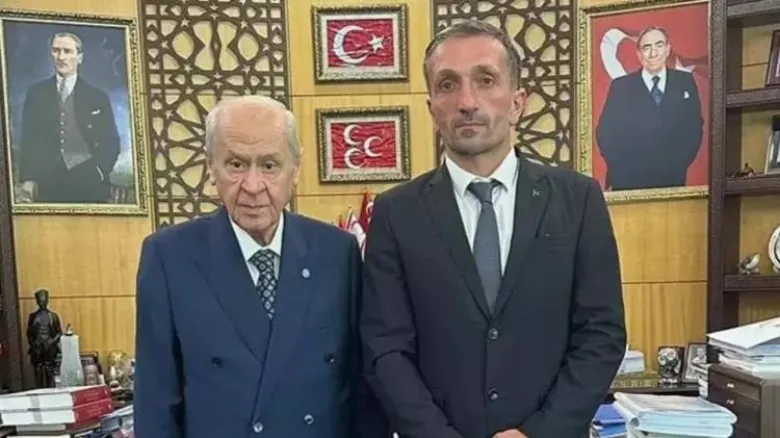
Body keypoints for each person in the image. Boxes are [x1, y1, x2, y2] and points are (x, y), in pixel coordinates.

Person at [360, 21, 627, 438]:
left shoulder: (578, 200)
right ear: (432, 108)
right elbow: (385, 348)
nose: (467, 102)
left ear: (518, 103)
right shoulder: (396, 213)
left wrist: (538, 433)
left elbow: (602, 334)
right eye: (448, 85)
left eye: (485, 80)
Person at [134, 96, 386, 438]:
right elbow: (155, 408)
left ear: (295, 169)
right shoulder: (169, 257)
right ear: (211, 167)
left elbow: (362, 390)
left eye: (269, 165)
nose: (253, 186)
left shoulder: (337, 252)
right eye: (236, 164)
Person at [596, 26, 703, 191]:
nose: (653, 53)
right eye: (647, 47)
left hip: (672, 177)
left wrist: (679, 164)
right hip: (627, 179)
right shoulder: (621, 86)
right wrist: (621, 168)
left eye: (659, 45)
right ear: (639, 54)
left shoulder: (684, 81)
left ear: (667, 50)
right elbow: (605, 132)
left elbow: (694, 127)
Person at [17, 32, 120, 204]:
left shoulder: (97, 96)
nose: (61, 57)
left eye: (67, 51)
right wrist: (28, 179)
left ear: (79, 58)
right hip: (47, 181)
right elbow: (29, 139)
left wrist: (99, 171)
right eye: (56, 50)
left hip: (89, 182)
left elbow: (111, 141)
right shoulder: (36, 93)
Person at [26, 288, 62, 388]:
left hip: (49, 349)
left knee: (50, 371)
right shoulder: (32, 316)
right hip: (37, 349)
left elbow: (59, 333)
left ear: (47, 301)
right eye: (40, 301)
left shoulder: (53, 316)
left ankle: (51, 390)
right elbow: (29, 334)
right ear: (37, 301)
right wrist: (34, 343)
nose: (43, 303)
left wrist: (51, 342)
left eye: (44, 301)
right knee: (38, 373)